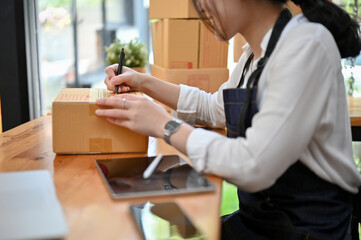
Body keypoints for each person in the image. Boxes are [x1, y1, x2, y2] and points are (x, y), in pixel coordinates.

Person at [96, 0, 361, 239]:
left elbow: (253, 164)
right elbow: (212, 107)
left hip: (309, 229)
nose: (202, 7)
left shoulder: (306, 46)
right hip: (261, 220)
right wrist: (141, 81)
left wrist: (164, 125)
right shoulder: (251, 57)